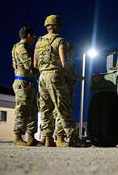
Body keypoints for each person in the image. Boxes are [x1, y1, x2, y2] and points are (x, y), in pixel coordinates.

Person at [34, 15, 89, 148]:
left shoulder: (39, 42)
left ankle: (47, 138)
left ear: (47, 26)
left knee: (45, 108)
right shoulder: (60, 41)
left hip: (42, 77)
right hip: (55, 76)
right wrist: (74, 77)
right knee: (63, 107)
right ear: (57, 26)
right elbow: (64, 63)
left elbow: (35, 64)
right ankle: (72, 137)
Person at [11, 26, 41, 146]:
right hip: (23, 81)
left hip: (29, 81)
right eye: (33, 36)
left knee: (32, 109)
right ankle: (18, 137)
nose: (33, 38)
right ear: (28, 35)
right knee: (22, 109)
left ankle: (31, 137)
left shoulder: (26, 48)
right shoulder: (21, 48)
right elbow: (29, 65)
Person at [54, 42, 84, 146]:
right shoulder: (65, 61)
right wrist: (79, 78)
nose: (73, 53)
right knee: (62, 112)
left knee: (67, 112)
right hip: (65, 89)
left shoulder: (69, 61)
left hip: (70, 90)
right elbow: (69, 75)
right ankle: (60, 137)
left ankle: (67, 137)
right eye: (71, 51)